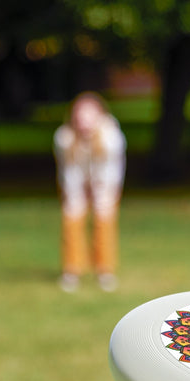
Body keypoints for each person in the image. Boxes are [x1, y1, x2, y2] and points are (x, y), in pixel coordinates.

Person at [53, 91, 126, 292]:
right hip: (75, 183)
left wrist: (99, 190)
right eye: (80, 115)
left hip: (105, 183)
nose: (84, 121)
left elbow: (111, 170)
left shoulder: (111, 137)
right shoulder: (64, 137)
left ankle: (105, 270)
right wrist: (77, 193)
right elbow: (69, 170)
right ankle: (72, 270)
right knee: (72, 218)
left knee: (104, 221)